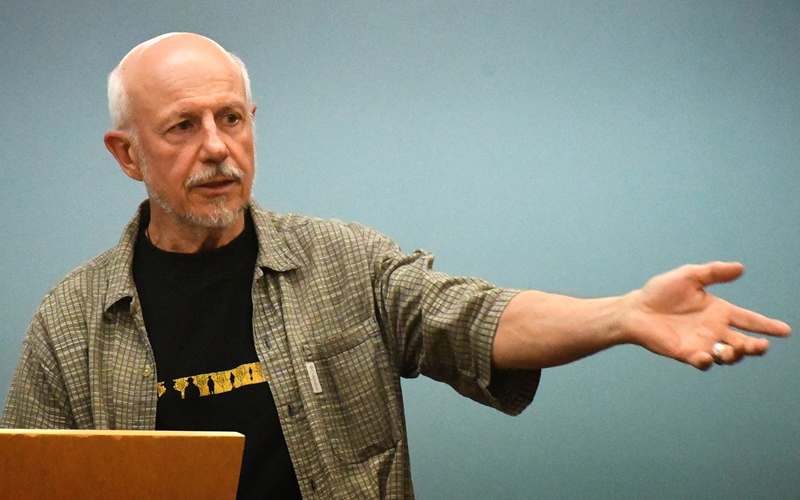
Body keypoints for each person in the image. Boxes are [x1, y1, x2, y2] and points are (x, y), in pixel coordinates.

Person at [1, 32, 790, 500]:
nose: (217, 147)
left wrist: (623, 315)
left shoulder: (344, 261)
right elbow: (30, 482)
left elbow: (474, 319)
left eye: (231, 117)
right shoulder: (71, 324)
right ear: (127, 154)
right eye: (182, 126)